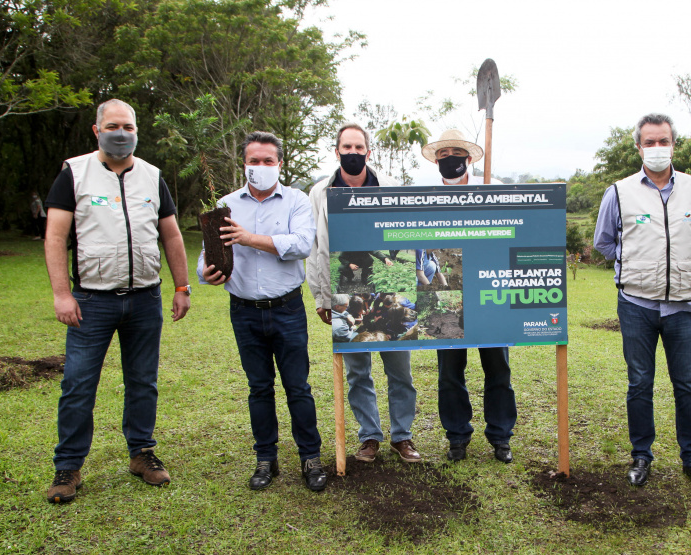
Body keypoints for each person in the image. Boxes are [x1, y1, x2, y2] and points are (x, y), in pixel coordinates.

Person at [43, 99, 190, 503]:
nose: (120, 132)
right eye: (112, 125)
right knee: (78, 384)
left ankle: (142, 453)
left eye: (128, 126)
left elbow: (172, 234)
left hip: (144, 300)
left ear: (137, 131)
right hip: (91, 301)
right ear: (96, 130)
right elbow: (56, 237)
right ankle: (68, 466)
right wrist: (61, 294)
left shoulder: (151, 175)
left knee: (143, 382)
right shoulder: (74, 173)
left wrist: (181, 286)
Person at [197, 131, 326, 492]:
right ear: (244, 164)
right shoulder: (224, 205)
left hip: (287, 309)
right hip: (244, 311)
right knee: (259, 388)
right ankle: (265, 459)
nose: (261, 166)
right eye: (254, 160)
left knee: (298, 387)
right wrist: (205, 273)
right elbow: (205, 260)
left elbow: (301, 244)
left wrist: (248, 238)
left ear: (279, 164)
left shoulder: (297, 201)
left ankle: (310, 458)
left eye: (268, 160)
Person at [592, 113, 691, 490]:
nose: (657, 148)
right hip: (636, 304)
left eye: (664, 141)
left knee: (687, 386)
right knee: (640, 383)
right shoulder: (620, 190)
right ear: (638, 147)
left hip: (682, 305)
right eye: (650, 142)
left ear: (673, 144)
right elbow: (604, 242)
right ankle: (641, 456)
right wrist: (637, 265)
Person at [307, 122, 420, 464]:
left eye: (359, 148)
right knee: (358, 371)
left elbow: (404, 233)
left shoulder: (390, 189)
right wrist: (321, 296)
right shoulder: (319, 193)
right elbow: (315, 247)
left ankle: (402, 436)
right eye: (347, 147)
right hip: (347, 291)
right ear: (337, 151)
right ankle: (369, 436)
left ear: (368, 152)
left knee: (399, 369)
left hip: (389, 293)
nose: (353, 153)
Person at [420, 129, 516, 464]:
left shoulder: (494, 189)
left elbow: (513, 232)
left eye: (455, 153)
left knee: (498, 369)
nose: (449, 160)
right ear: (436, 161)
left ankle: (501, 437)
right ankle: (457, 437)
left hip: (490, 293)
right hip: (446, 294)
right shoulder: (426, 198)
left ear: (470, 158)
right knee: (449, 372)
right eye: (442, 155)